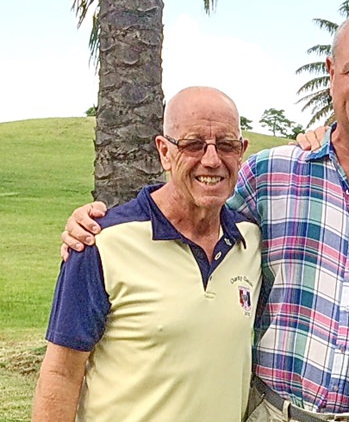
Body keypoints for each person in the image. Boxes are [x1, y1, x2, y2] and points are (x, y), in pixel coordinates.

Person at [60, 11, 349, 422]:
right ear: (332, 74)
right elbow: (188, 214)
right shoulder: (270, 176)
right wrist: (97, 226)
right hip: (276, 413)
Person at [33, 87, 262, 422]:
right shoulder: (101, 242)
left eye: (225, 145)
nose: (211, 159)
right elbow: (61, 375)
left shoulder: (250, 240)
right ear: (164, 152)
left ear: (241, 152)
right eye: (193, 144)